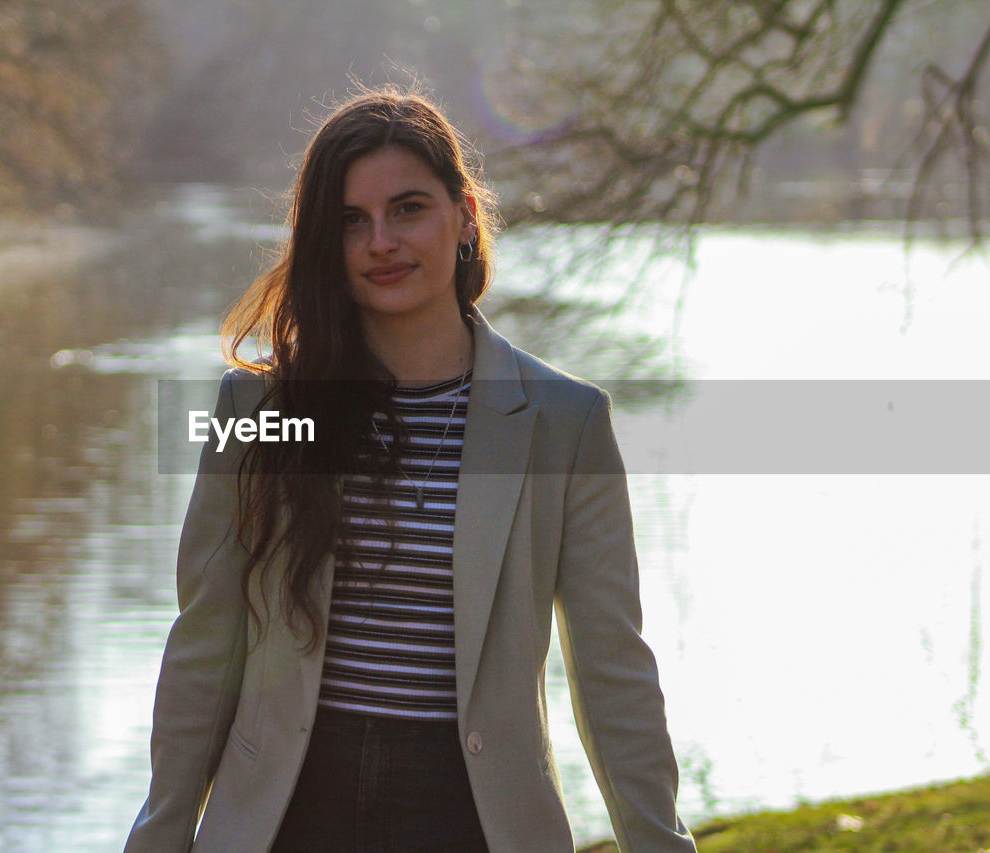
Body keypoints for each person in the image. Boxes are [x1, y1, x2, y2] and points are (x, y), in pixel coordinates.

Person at [125, 87, 697, 853]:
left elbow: (613, 670)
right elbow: (205, 644)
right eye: (350, 221)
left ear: (464, 215)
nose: (380, 242)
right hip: (285, 818)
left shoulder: (566, 424)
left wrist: (662, 843)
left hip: (473, 822)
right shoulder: (260, 408)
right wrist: (159, 835)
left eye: (408, 209)